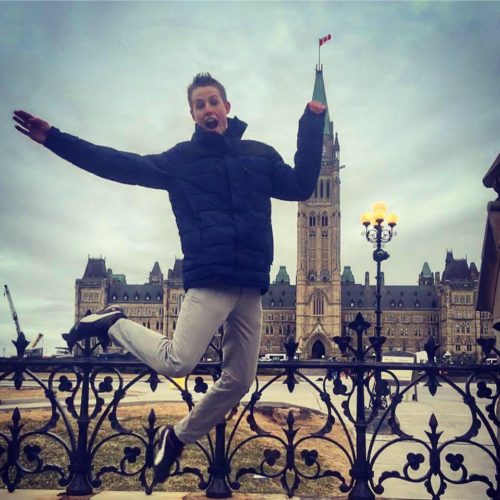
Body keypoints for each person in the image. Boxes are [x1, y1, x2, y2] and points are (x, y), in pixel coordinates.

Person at [13, 73, 326, 483]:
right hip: (210, 279)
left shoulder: (260, 154)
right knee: (178, 361)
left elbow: (302, 185)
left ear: (227, 107)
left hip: (251, 286)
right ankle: (113, 322)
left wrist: (311, 123)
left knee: (239, 381)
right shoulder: (181, 161)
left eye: (213, 101)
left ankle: (176, 438)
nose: (208, 109)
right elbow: (119, 164)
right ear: (193, 114)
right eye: (200, 104)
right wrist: (54, 139)